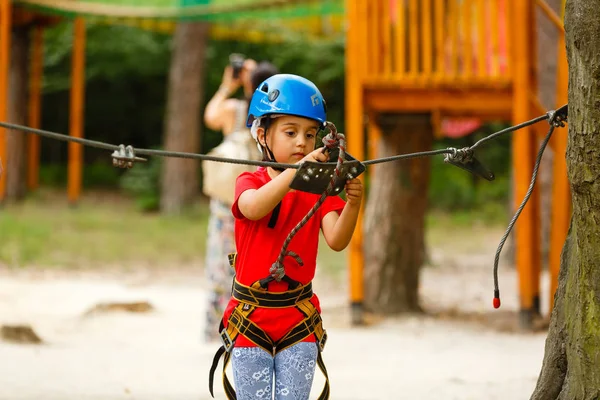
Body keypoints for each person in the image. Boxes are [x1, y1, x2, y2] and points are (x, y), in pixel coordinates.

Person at [209, 74, 364, 400]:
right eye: (290, 132)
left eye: (310, 135)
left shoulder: (319, 188)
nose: (302, 143)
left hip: (298, 320)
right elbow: (251, 208)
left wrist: (353, 203)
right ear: (263, 135)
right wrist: (296, 174)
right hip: (251, 319)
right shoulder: (249, 180)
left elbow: (336, 239)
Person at [202, 58, 279, 342]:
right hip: (260, 199)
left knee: (222, 264)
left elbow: (210, 116)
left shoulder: (235, 111)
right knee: (254, 264)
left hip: (227, 202)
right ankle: (253, 326)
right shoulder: (274, 118)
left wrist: (227, 84)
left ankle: (219, 328)